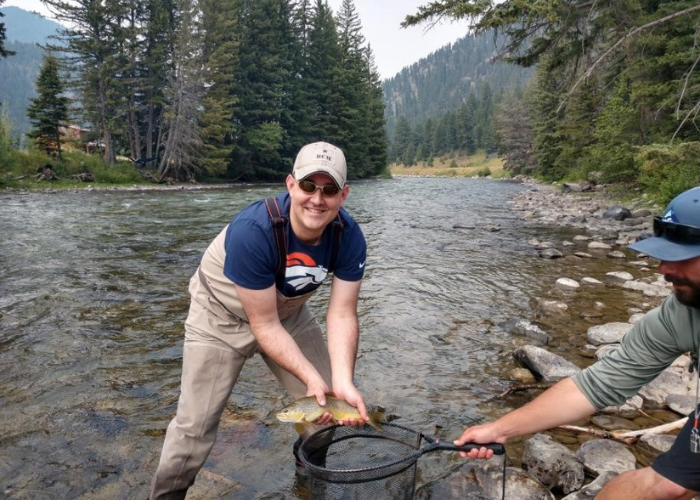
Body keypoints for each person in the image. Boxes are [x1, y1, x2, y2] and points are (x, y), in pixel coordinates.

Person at [149, 141, 370, 499]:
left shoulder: (349, 237)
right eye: (308, 186)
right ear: (290, 185)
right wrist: (311, 376)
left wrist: (341, 382)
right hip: (218, 315)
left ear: (343, 195)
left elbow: (342, 312)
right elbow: (263, 325)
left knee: (325, 414)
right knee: (194, 431)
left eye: (329, 189)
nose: (317, 198)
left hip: (289, 313)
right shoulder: (255, 230)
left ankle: (307, 483)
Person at [455, 186, 700, 500]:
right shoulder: (681, 312)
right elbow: (596, 385)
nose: (663, 269)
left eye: (681, 257)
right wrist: (499, 430)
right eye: (664, 254)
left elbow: (671, 485)